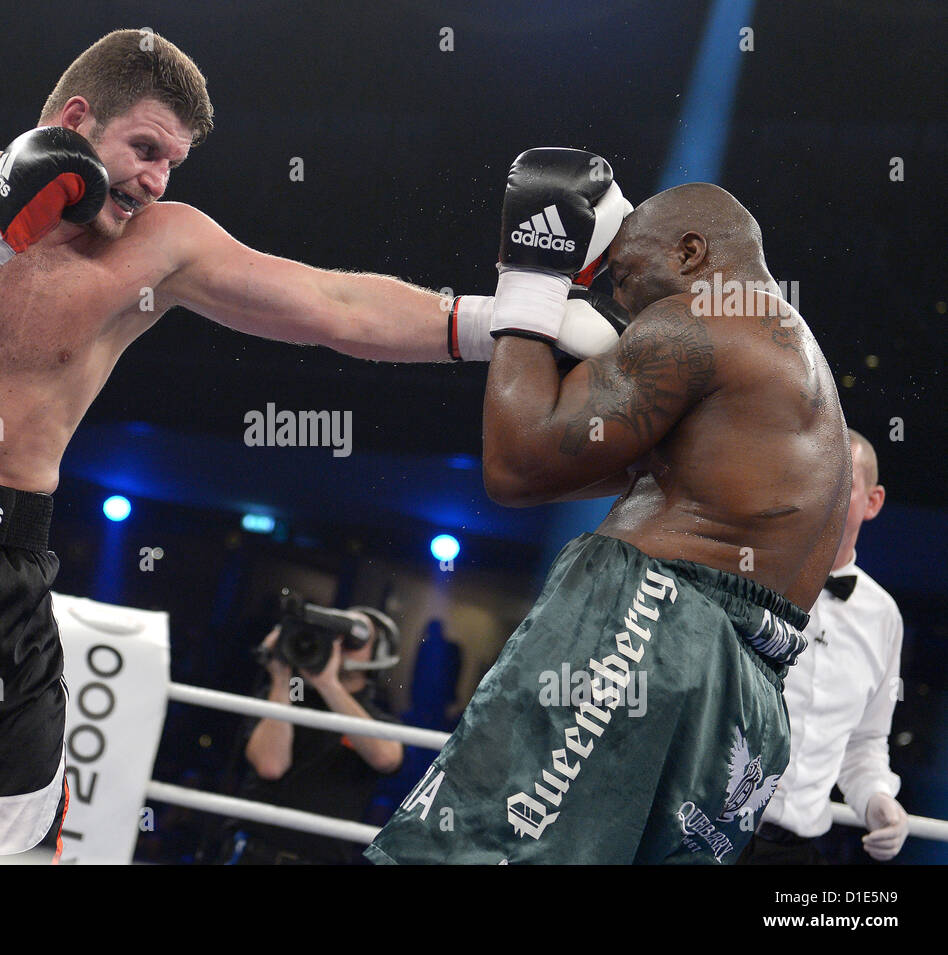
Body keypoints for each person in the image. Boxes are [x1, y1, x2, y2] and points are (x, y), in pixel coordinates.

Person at [0, 28, 559, 858]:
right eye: (148, 149)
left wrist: (498, 320)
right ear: (77, 121)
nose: (160, 180)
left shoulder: (161, 244)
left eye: (177, 162)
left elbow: (331, 305)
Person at [367, 151, 852, 864]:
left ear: (691, 251)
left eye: (624, 277)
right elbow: (562, 470)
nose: (622, 306)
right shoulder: (792, 363)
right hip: (747, 695)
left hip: (648, 630)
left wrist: (531, 278)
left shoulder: (695, 318)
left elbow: (516, 462)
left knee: (476, 854)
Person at [738, 429, 908, 864]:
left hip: (797, 852)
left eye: (843, 483)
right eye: (817, 477)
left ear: (873, 502)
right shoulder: (746, 577)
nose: (825, 493)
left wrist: (877, 800)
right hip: (702, 835)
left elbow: (865, 742)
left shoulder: (883, 617)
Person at [224, 608, 403, 864]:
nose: (339, 646)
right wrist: (280, 677)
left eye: (353, 639)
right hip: (254, 855)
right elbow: (270, 765)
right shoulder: (282, 697)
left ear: (378, 654)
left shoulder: (379, 720)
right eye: (333, 634)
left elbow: (386, 758)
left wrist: (328, 684)